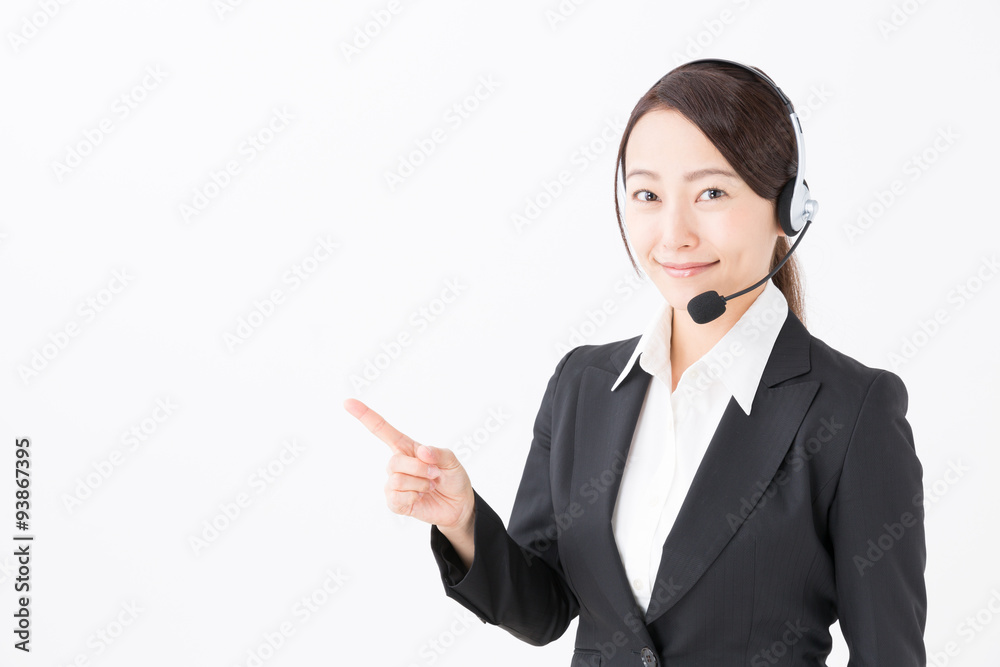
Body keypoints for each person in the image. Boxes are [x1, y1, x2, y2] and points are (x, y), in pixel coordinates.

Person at [344, 59, 926, 666]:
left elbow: (890, 654)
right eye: (648, 194)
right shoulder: (583, 385)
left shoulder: (851, 411)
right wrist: (465, 521)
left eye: (711, 193)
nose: (673, 233)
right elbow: (544, 612)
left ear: (787, 211)